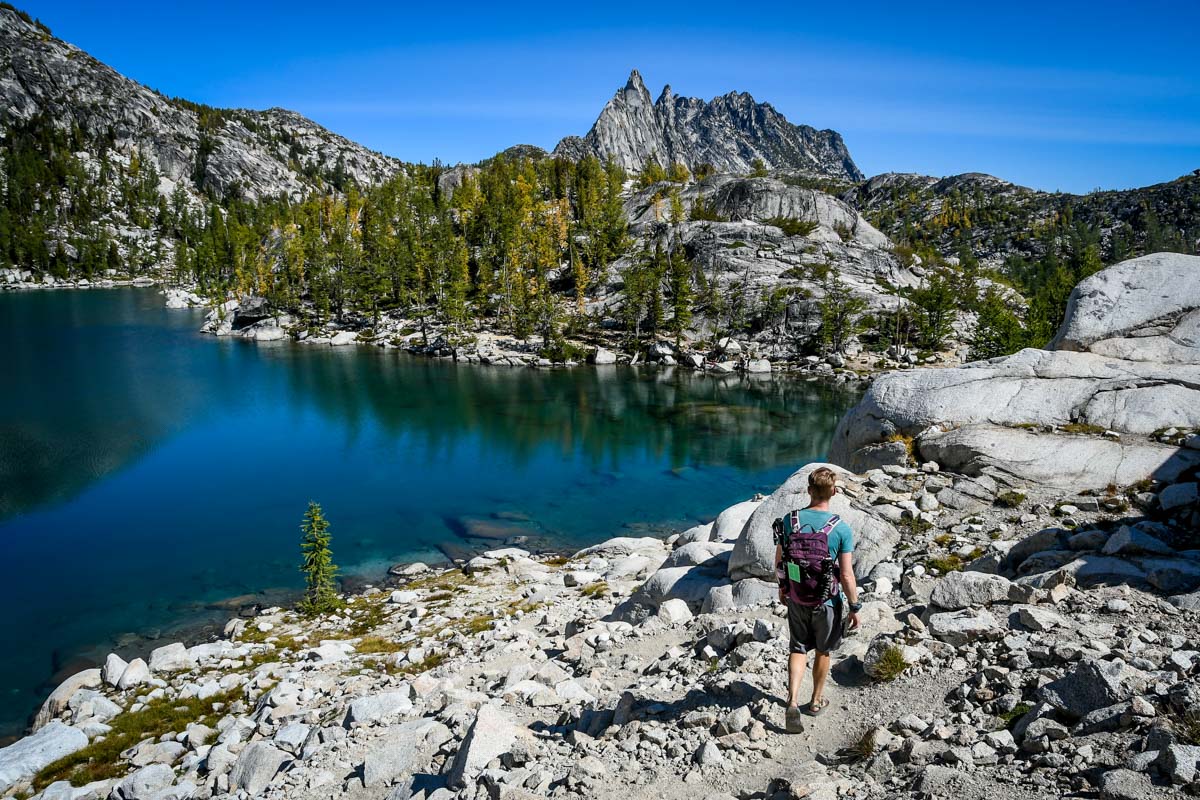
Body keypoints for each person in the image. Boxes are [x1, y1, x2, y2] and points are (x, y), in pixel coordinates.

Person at [774, 466, 862, 733]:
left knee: (798, 648)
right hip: (827, 601)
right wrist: (854, 606)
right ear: (833, 492)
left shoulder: (790, 521)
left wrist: (783, 587)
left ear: (809, 490)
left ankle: (792, 701)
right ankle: (814, 701)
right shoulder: (841, 529)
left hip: (797, 596)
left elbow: (779, 560)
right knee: (823, 651)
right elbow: (846, 574)